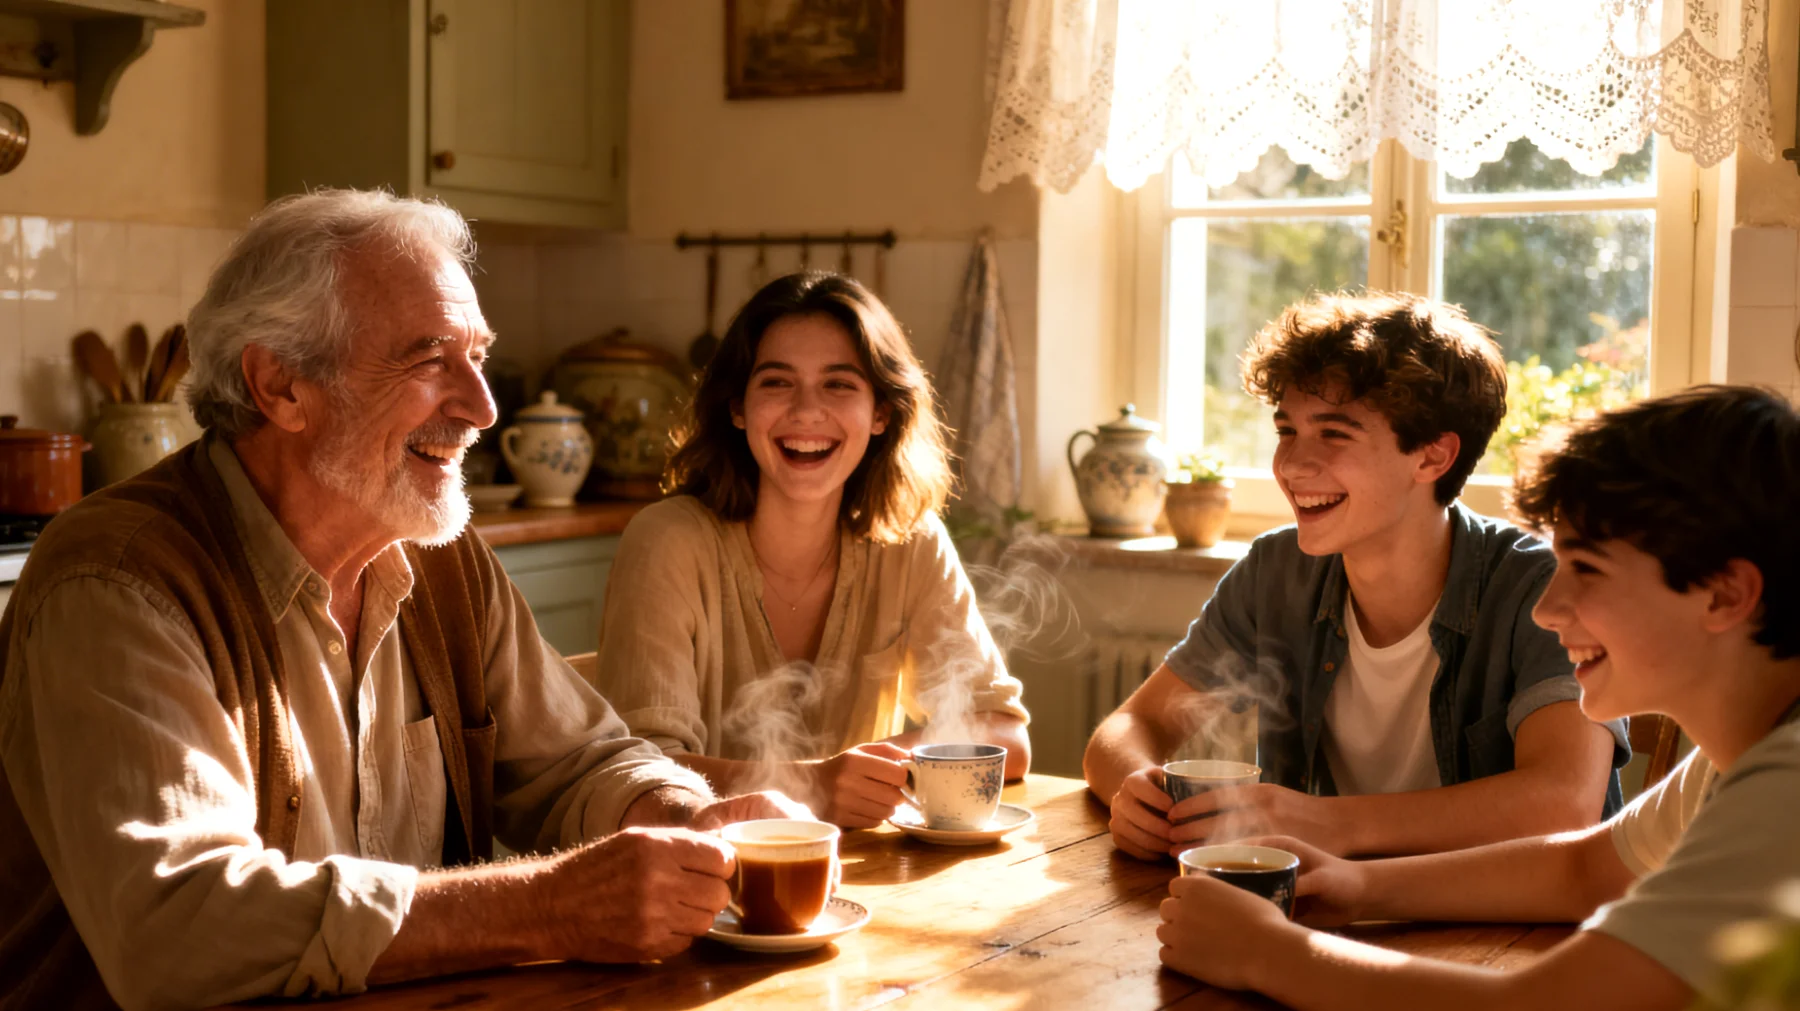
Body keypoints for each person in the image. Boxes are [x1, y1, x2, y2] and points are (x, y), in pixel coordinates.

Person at [0, 191, 804, 1011]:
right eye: (429, 361)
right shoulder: (118, 582)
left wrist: (680, 815)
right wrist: (547, 906)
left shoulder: (445, 561)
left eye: (478, 357)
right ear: (280, 384)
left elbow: (578, 764)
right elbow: (179, 924)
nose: (482, 408)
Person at [1158, 384, 1800, 1010]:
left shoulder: (1788, 783)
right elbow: (1586, 871)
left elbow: (1541, 1002)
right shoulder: (1740, 759)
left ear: (1723, 593)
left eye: (1589, 570)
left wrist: (1267, 953)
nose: (1548, 610)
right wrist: (1353, 885)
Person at [1084, 292, 1627, 861]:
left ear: (1432, 457)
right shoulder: (1276, 572)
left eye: (1334, 434)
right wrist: (1137, 788)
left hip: (1514, 933)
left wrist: (1323, 823)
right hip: (1333, 911)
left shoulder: (1541, 588)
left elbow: (1563, 802)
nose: (1291, 466)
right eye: (1286, 430)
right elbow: (1131, 726)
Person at [592, 272, 1031, 829]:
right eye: (777, 382)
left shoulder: (911, 540)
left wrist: (864, 772)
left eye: (839, 384)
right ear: (738, 407)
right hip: (699, 879)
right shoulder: (667, 541)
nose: (806, 412)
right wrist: (816, 783)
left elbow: (1004, 733)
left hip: (862, 876)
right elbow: (637, 777)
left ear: (881, 413)